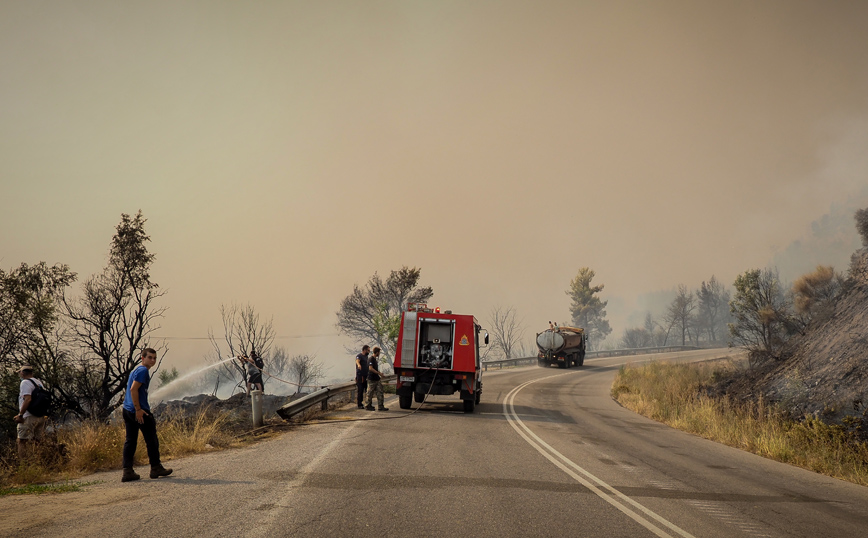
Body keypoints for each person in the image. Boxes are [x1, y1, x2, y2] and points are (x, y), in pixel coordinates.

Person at [121, 348, 173, 482]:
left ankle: (127, 471)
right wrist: (138, 409)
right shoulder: (143, 371)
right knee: (151, 440)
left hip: (127, 410)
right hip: (138, 411)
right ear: (142, 358)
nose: (153, 360)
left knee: (130, 441)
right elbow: (133, 389)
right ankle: (155, 467)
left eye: (154, 358)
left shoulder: (137, 370)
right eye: (150, 357)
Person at [14, 365, 47, 459]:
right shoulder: (38, 382)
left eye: (20, 372)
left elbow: (28, 399)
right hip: (39, 415)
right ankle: (40, 461)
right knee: (37, 441)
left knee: (21, 441)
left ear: (23, 373)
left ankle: (24, 465)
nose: (19, 374)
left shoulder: (25, 382)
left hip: (28, 416)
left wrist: (20, 415)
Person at [364, 347, 388, 411]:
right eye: (379, 352)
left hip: (376, 379)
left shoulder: (374, 359)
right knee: (369, 393)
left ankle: (381, 406)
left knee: (380, 392)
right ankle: (368, 405)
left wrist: (379, 374)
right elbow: (370, 368)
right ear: (377, 352)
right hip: (371, 379)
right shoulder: (371, 359)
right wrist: (378, 373)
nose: (379, 353)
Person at [355, 345, 370, 409]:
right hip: (360, 376)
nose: (369, 352)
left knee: (366, 390)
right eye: (368, 350)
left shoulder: (366, 357)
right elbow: (357, 360)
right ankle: (359, 404)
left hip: (366, 376)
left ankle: (367, 404)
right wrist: (359, 365)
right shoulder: (359, 356)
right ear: (364, 350)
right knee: (360, 390)